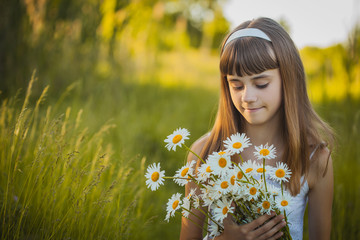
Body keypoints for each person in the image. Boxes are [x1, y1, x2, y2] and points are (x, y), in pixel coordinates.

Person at [179, 17, 334, 240]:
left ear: (289, 79)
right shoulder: (205, 153)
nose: (247, 97)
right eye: (236, 85)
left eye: (261, 84)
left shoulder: (314, 158)